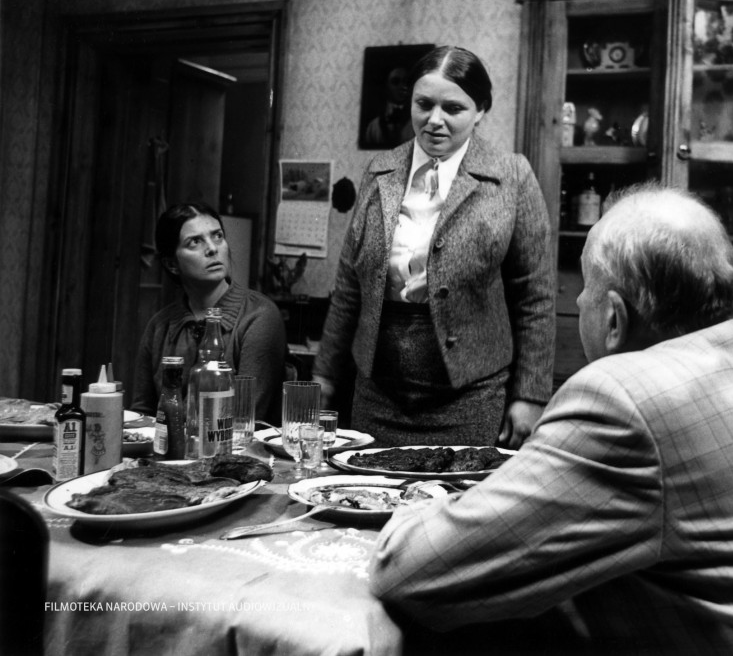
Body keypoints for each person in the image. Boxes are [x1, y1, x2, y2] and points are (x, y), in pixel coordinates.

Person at [369, 184, 733, 654]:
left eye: (584, 290)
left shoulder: (627, 397)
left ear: (614, 319)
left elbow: (414, 571)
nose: (578, 303)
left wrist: (426, 506)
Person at [314, 46, 555, 449]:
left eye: (453, 108)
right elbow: (350, 286)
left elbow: (535, 296)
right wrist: (324, 374)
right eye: (424, 104)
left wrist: (531, 395)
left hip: (470, 398)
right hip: (377, 396)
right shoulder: (380, 171)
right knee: (367, 486)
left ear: (480, 110)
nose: (435, 120)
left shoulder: (511, 176)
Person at [131, 202, 287, 424]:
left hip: (236, 444)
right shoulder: (159, 326)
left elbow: (243, 418)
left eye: (218, 236)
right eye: (195, 242)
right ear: (172, 264)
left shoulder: (258, 316)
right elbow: (141, 416)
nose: (213, 248)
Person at [363, 65, 415, 148]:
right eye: (395, 82)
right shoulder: (374, 126)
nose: (402, 86)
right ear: (387, 86)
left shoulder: (417, 124)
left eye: (406, 82)